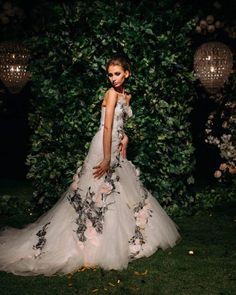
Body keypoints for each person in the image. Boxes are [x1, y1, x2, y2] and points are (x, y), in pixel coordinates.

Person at [0, 56, 180, 276]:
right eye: (110, 74)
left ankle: (117, 236)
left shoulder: (126, 96)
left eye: (117, 73)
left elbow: (118, 124)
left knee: (118, 190)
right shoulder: (111, 94)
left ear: (127, 74)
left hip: (115, 146)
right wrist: (105, 158)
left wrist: (124, 138)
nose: (113, 78)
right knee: (94, 191)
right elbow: (105, 128)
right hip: (103, 147)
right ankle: (89, 238)